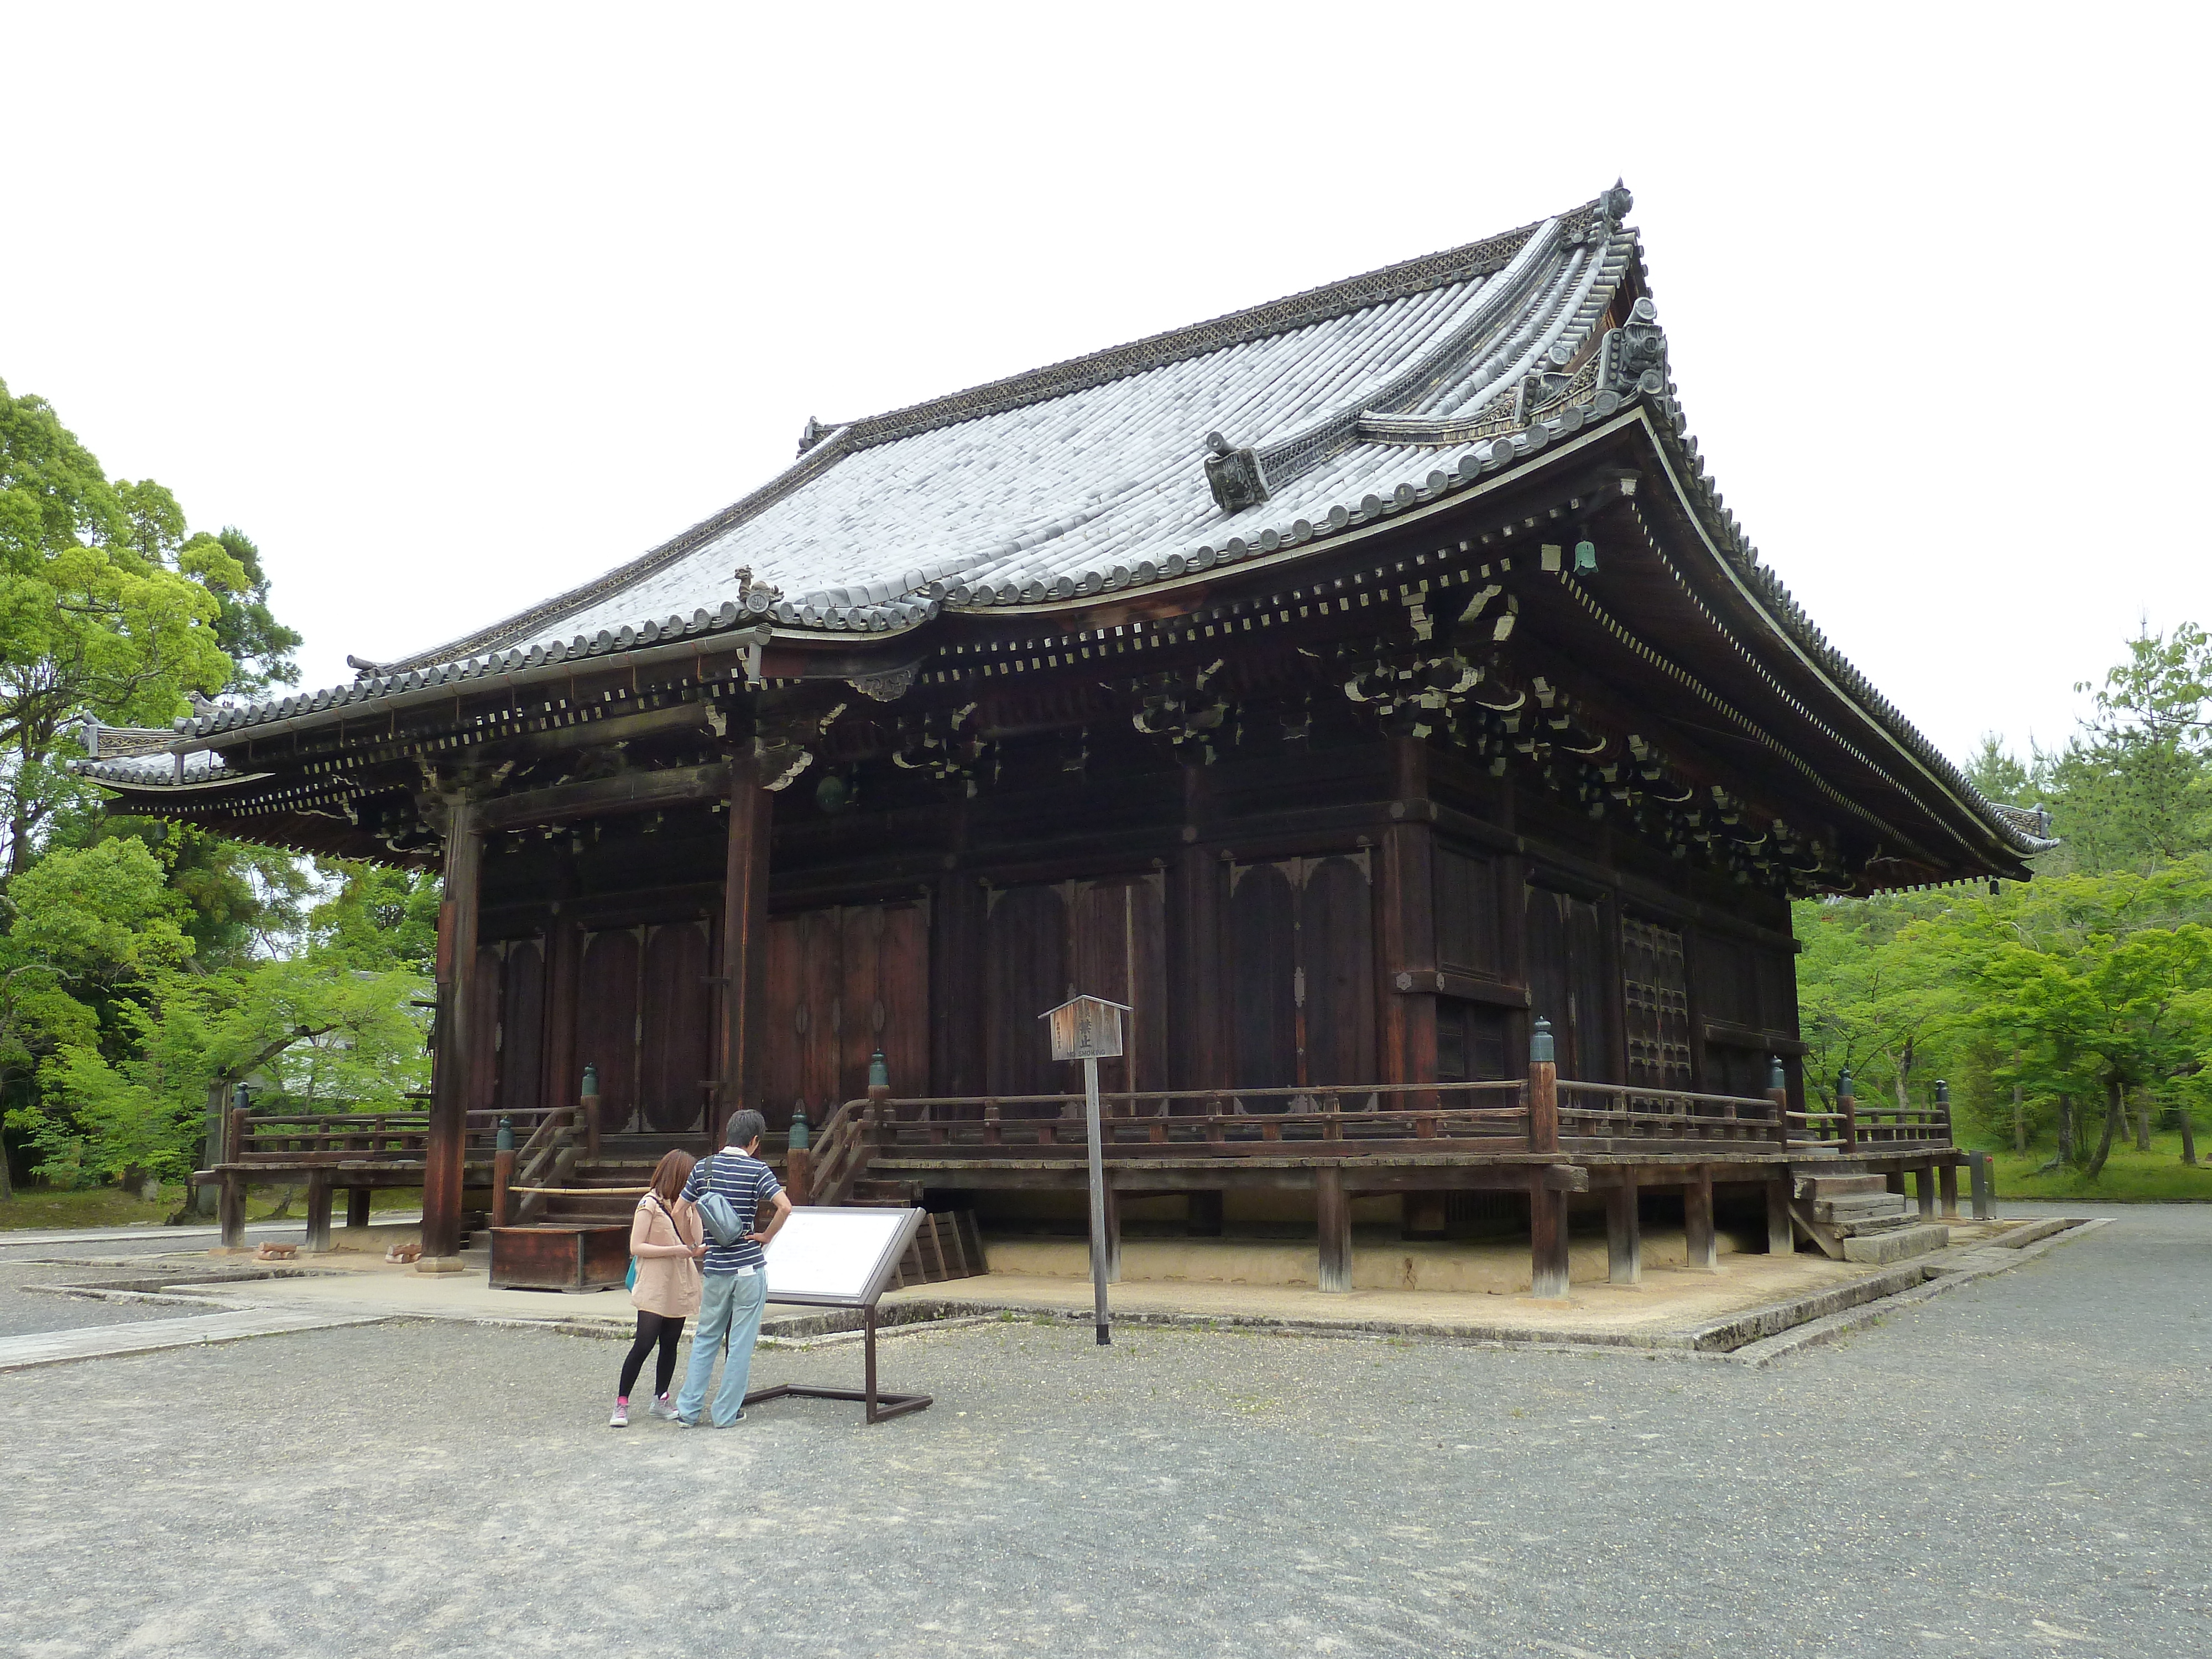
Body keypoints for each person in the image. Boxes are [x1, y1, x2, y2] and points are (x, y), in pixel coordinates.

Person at [673, 1107, 792, 1427]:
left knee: (706, 1337)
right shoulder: (758, 1170)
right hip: (749, 1268)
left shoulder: (703, 1168)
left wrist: (693, 1246)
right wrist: (766, 1236)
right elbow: (785, 1207)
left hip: (715, 1268)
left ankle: (688, 1410)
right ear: (754, 1141)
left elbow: (679, 1209)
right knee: (740, 1343)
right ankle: (725, 1414)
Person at [611, 1149, 705, 1427]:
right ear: (678, 1177)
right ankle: (622, 1402)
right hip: (654, 1281)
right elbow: (636, 1246)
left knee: (671, 1343)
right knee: (645, 1342)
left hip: (679, 1280)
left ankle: (661, 1398)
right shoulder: (649, 1203)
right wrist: (674, 1249)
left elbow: (696, 1242)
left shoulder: (684, 1206)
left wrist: (694, 1207)